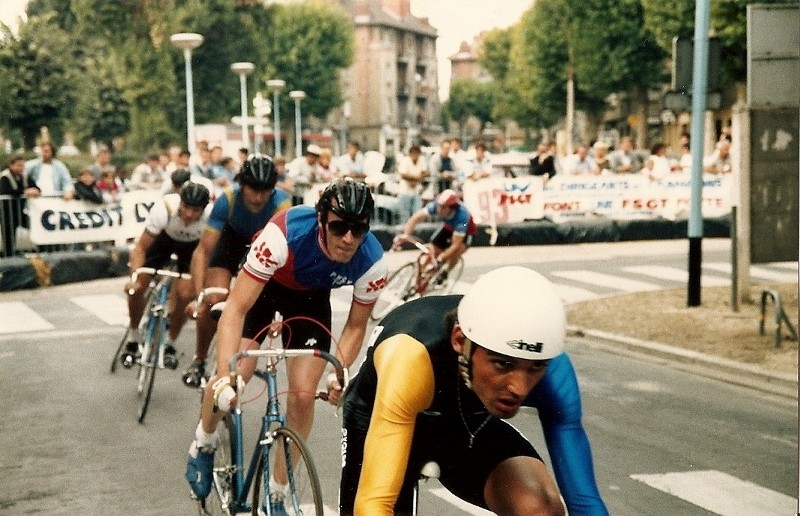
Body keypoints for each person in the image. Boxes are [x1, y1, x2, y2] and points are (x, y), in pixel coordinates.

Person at [185, 179, 388, 510]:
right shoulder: (285, 234)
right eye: (339, 227)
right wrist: (224, 371)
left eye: (358, 229)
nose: (349, 238)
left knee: (304, 397)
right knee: (236, 378)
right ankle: (204, 442)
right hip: (263, 292)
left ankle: (276, 492)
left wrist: (339, 371)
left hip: (310, 301)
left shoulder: (373, 260)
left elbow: (354, 325)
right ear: (321, 219)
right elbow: (235, 308)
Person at [338, 266, 567, 515]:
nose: (519, 388)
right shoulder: (411, 358)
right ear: (460, 341)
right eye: (504, 363)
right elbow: (374, 503)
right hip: (383, 413)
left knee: (540, 509)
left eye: (535, 368)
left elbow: (583, 499)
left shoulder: (553, 367)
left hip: (462, 422)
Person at [181, 155, 292, 388]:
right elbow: (203, 252)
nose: (259, 197)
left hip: (264, 246)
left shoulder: (282, 204)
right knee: (214, 299)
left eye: (266, 190)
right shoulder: (227, 200)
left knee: (253, 302)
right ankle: (199, 359)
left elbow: (284, 260)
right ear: (241, 184)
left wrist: (279, 313)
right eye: (253, 189)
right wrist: (199, 296)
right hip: (231, 243)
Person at [120, 182, 212, 369]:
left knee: (186, 295)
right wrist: (135, 277)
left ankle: (171, 343)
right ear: (180, 203)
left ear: (203, 210)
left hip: (192, 249)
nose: (189, 215)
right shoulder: (165, 209)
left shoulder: (211, 218)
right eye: (186, 207)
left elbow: (208, 255)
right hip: (163, 241)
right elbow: (141, 247)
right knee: (137, 288)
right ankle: (133, 336)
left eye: (195, 210)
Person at [399, 189, 476, 274]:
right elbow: (416, 218)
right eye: (439, 205)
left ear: (451, 208)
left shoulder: (462, 216)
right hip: (449, 227)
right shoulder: (436, 206)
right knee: (433, 251)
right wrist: (406, 235)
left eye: (443, 207)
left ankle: (446, 272)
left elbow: (455, 245)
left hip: (466, 231)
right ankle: (423, 275)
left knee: (455, 253)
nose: (439, 209)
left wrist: (441, 259)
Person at [0, 155, 37, 256]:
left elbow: (35, 187)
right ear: (11, 165)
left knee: (35, 225)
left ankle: (42, 249)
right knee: (8, 239)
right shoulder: (4, 177)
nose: (21, 168)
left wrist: (36, 191)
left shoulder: (24, 176)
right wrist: (25, 191)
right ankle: (9, 259)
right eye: (19, 165)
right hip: (6, 214)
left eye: (23, 165)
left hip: (19, 212)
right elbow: (5, 191)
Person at [396, 144, 428, 223]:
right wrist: (415, 179)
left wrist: (417, 179)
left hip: (416, 191)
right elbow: (403, 174)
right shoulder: (405, 160)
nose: (415, 155)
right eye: (413, 153)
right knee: (404, 214)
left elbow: (425, 172)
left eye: (417, 153)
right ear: (410, 154)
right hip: (405, 191)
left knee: (417, 213)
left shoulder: (422, 160)